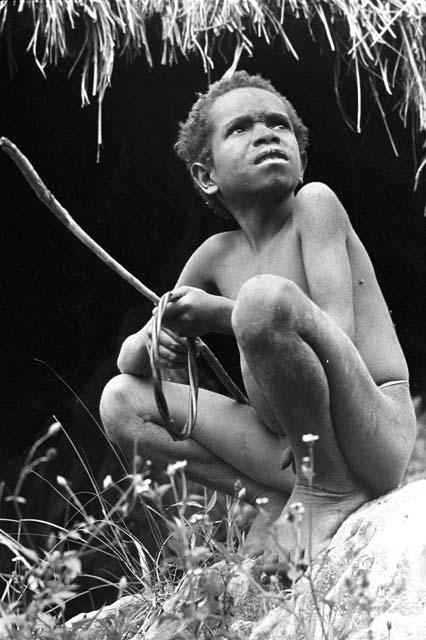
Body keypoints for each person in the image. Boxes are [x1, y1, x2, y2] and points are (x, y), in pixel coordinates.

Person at [100, 71, 416, 568]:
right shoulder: (214, 256)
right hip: (288, 445)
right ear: (207, 176)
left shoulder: (316, 207)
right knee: (120, 401)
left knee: (263, 300)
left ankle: (330, 488)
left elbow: (339, 334)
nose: (266, 133)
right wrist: (154, 341)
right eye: (241, 128)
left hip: (369, 428)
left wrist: (222, 314)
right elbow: (133, 361)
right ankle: (274, 499)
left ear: (302, 159)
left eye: (278, 124)